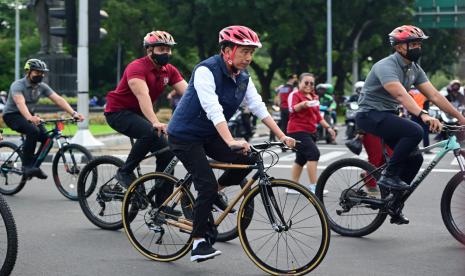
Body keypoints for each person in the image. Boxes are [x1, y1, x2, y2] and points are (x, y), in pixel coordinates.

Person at [167, 25, 296, 262]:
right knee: (204, 184)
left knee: (248, 159)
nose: (248, 58)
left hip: (209, 134)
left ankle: (216, 192)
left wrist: (282, 135)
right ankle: (197, 243)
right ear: (227, 50)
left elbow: (258, 106)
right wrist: (230, 140)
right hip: (185, 135)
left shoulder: (243, 78)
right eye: (244, 51)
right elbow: (212, 108)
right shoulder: (206, 70)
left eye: (251, 53)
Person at [355, 25, 465, 224]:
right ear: (399, 47)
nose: (417, 47)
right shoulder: (385, 66)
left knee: (415, 159)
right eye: (412, 44)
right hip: (369, 115)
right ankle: (388, 176)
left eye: (419, 44)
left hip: (388, 115)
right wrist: (423, 115)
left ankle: (393, 203)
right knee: (414, 131)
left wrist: (462, 118)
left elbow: (434, 95)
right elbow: (400, 94)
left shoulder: (414, 69)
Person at [104, 30, 188, 209]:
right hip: (118, 112)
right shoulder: (137, 67)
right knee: (150, 131)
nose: (167, 53)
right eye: (162, 49)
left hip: (138, 114)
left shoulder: (169, 70)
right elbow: (143, 96)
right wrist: (155, 121)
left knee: (167, 152)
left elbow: (190, 95)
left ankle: (161, 205)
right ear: (149, 50)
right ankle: (125, 172)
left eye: (169, 49)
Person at [2, 59, 84, 178]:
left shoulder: (42, 86)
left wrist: (73, 113)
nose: (40, 75)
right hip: (12, 115)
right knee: (33, 130)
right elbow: (20, 103)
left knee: (47, 139)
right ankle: (27, 167)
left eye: (42, 72)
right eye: (37, 72)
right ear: (28, 72)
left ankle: (34, 166)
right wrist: (30, 118)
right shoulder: (17, 85)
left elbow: (58, 99)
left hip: (29, 115)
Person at [286, 73, 335, 194]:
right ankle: (315, 186)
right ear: (300, 83)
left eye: (312, 83)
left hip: (311, 131)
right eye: (306, 82)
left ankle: (292, 187)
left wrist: (329, 128)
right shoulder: (295, 94)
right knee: (314, 154)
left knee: (301, 158)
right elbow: (292, 109)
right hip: (297, 131)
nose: (309, 85)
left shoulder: (315, 97)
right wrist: (303, 104)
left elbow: (318, 116)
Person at [408, 87, 430, 152]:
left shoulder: (410, 92)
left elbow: (408, 103)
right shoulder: (424, 91)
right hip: (423, 114)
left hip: (414, 113)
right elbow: (427, 104)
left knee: (413, 132)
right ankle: (427, 149)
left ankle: (412, 149)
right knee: (425, 132)